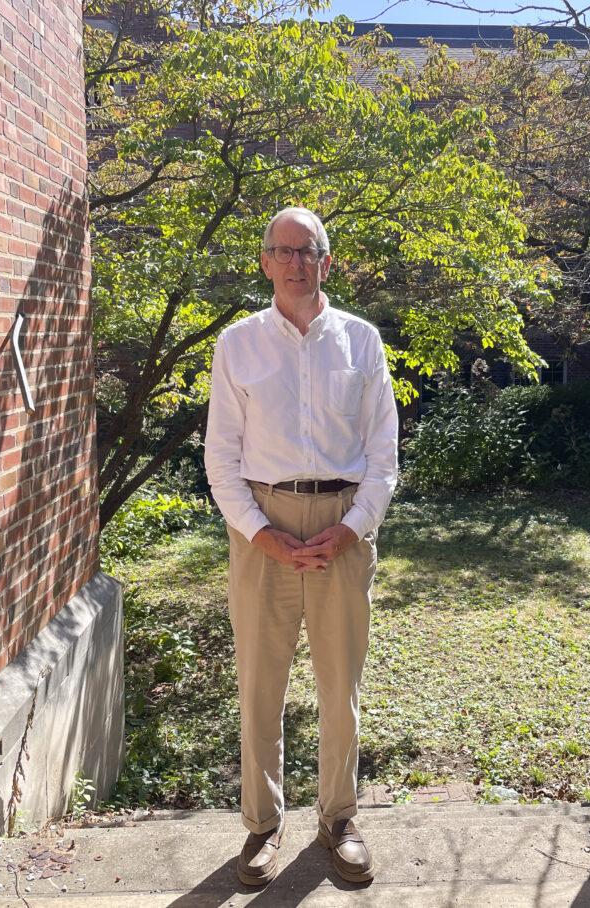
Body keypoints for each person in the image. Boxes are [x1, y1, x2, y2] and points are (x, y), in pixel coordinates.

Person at [204, 207, 398, 886]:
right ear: (265, 261)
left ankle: (338, 819)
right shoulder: (238, 345)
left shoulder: (361, 341)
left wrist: (351, 528)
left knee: (340, 687)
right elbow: (220, 458)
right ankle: (261, 828)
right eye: (281, 251)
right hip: (262, 525)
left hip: (345, 524)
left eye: (306, 251)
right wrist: (267, 538)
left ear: (326, 259)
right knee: (260, 686)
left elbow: (384, 456)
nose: (293, 263)